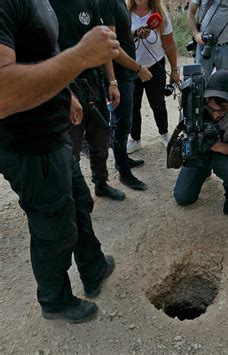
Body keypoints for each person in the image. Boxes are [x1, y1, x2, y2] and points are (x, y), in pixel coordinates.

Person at [0, 0, 119, 322]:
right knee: (53, 228)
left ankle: (92, 268)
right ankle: (54, 300)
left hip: (55, 135)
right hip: (28, 146)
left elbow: (43, 55)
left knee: (80, 203)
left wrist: (66, 94)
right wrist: (81, 56)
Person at [50, 0, 126, 202]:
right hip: (65, 86)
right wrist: (67, 95)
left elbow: (104, 46)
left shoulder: (89, 2)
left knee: (100, 140)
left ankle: (101, 183)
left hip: (93, 84)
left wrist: (112, 81)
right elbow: (46, 54)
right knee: (71, 148)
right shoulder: (47, 5)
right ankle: (73, 196)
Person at [173, 69, 228, 215]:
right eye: (211, 108)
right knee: (183, 197)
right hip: (199, 150)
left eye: (223, 109)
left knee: (226, 166)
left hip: (224, 152)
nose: (216, 114)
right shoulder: (193, 103)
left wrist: (217, 146)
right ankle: (204, 170)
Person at [99, 0, 153, 191]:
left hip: (124, 74)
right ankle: (123, 171)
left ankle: (123, 160)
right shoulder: (107, 3)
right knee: (121, 125)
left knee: (124, 122)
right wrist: (137, 69)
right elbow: (110, 47)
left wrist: (134, 34)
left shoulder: (119, 1)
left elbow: (119, 36)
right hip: (119, 76)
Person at [126, 0, 180, 153]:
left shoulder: (161, 15)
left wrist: (174, 70)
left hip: (155, 66)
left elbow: (169, 45)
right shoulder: (125, 14)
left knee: (157, 103)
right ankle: (135, 139)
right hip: (132, 68)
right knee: (132, 105)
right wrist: (135, 34)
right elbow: (119, 41)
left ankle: (164, 134)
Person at [187, 0, 228, 78]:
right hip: (204, 45)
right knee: (200, 84)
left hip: (227, 47)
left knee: (224, 85)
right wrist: (196, 34)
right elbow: (190, 13)